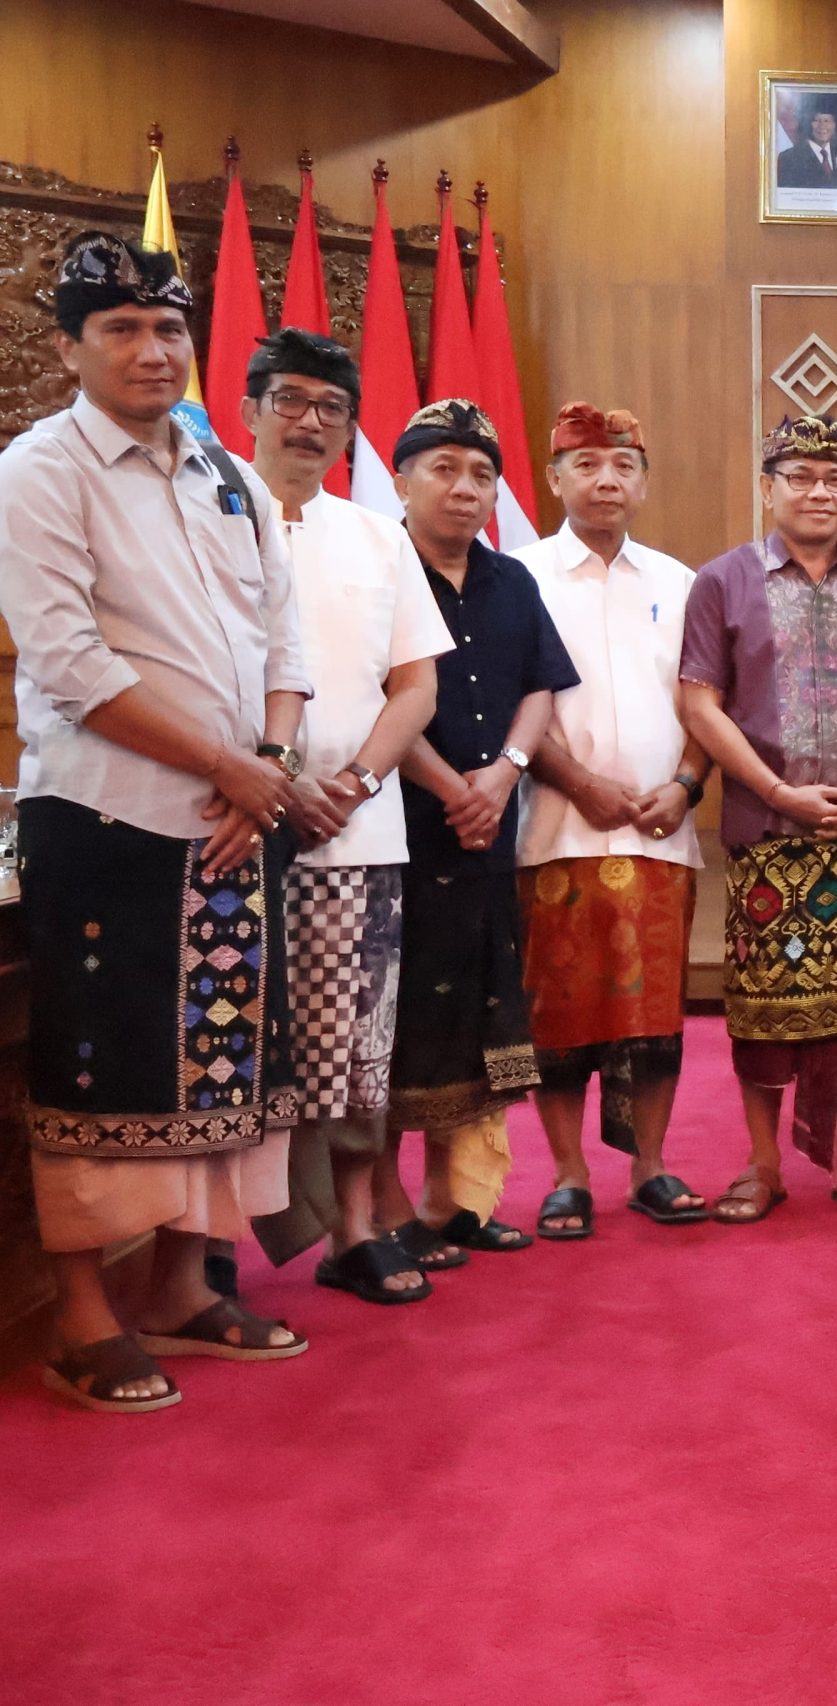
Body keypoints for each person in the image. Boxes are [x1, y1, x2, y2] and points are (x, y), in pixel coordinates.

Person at [0, 233, 310, 1409]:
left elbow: (283, 639)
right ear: (71, 346)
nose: (149, 348)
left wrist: (265, 764)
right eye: (120, 328)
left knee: (224, 1056)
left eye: (168, 327)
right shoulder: (40, 468)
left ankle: (183, 1284)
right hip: (110, 816)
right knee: (101, 1060)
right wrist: (237, 767)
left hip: (238, 818)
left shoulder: (223, 470)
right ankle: (83, 1313)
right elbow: (69, 660)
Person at [232, 330, 452, 1307]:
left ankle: (356, 1230)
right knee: (231, 1043)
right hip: (225, 825)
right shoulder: (207, 516)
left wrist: (356, 781)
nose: (311, 420)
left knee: (356, 1048)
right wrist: (272, 781)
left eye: (330, 406)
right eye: (290, 399)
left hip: (357, 831)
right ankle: (202, 1260)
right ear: (248, 409)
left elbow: (416, 686)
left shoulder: (375, 536)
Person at [680, 415, 837, 1224]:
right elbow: (699, 704)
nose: (819, 492)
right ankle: (763, 1163)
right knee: (761, 1015)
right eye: (801, 476)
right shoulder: (723, 582)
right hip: (769, 833)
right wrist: (779, 794)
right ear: (767, 487)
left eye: (835, 478)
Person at [378, 399, 578, 1268]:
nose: (465, 490)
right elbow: (367, 694)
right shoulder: (378, 574)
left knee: (479, 1016)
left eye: (481, 474)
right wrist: (450, 784)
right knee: (392, 1025)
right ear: (400, 479)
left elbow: (541, 684)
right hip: (399, 836)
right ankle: (382, 1213)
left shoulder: (512, 581)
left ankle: (453, 1201)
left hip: (490, 831)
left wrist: (505, 772)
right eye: (444, 470)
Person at [515, 404, 709, 1238]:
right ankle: (566, 1175)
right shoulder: (516, 577)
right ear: (555, 478)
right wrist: (578, 780)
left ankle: (652, 1167)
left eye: (623, 464)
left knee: (654, 1017)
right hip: (555, 827)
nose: (606, 480)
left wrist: (689, 786)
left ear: (643, 480)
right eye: (586, 464)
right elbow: (511, 702)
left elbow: (706, 706)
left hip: (661, 830)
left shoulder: (680, 582)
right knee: (560, 1014)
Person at [775, 105, 837, 189]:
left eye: (827, 121)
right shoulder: (788, 158)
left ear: (835, 125)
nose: (822, 126)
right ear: (808, 123)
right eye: (816, 120)